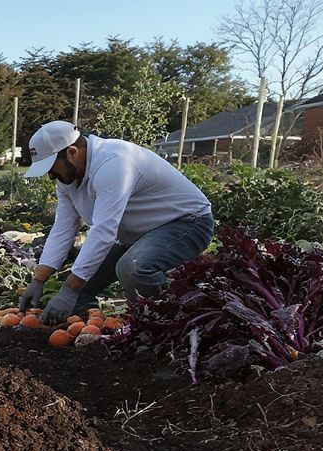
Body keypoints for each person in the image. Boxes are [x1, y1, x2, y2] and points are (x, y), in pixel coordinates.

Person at [17, 120, 214, 326]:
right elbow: (64, 226)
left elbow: (104, 231)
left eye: (50, 167)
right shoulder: (68, 179)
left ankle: (177, 319)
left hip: (187, 223)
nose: (50, 175)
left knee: (133, 268)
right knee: (79, 289)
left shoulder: (114, 162)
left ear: (72, 152)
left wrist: (69, 289)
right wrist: (38, 279)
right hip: (137, 234)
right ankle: (89, 332)